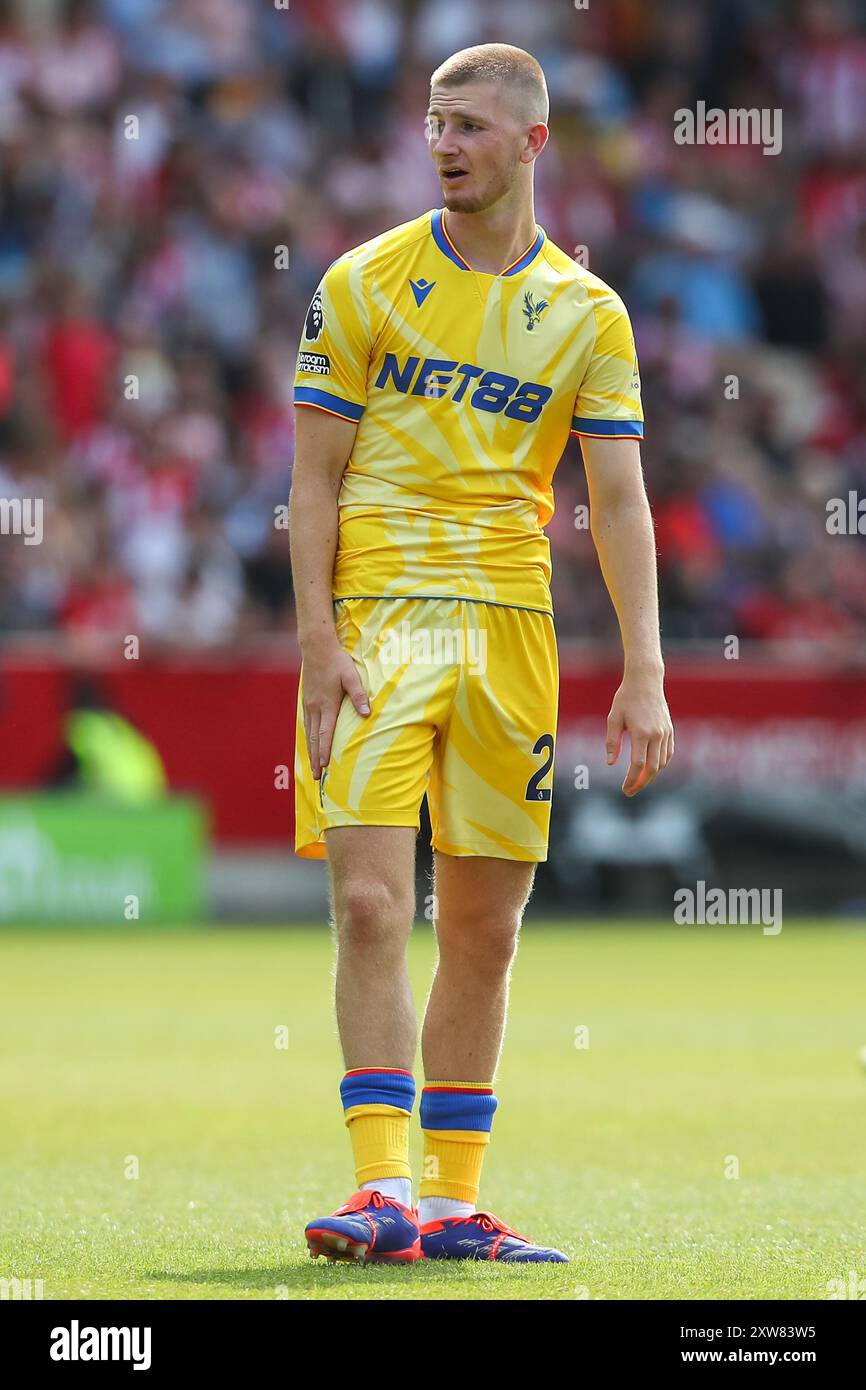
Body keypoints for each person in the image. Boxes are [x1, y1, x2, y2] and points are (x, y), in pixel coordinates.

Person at [290, 43, 673, 1265]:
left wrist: (645, 666)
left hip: (512, 632)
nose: (442, 143)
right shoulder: (360, 280)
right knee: (364, 903)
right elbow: (310, 477)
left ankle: (453, 1206)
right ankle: (379, 1190)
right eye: (432, 123)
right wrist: (313, 643)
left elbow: (616, 503)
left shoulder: (587, 312)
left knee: (486, 932)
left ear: (529, 143)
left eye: (465, 125)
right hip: (378, 623)